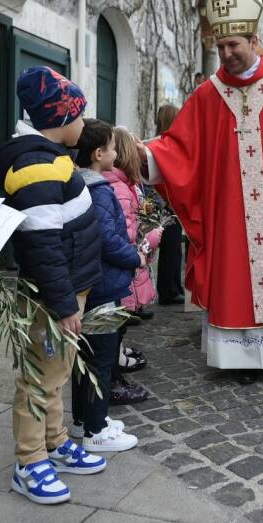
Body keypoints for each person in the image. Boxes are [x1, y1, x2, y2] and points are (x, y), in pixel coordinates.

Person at [137, 0, 263, 381]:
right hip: (230, 214)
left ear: (254, 40)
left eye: (234, 46)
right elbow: (179, 146)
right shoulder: (208, 95)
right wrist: (139, 154)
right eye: (221, 48)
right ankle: (242, 358)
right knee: (235, 278)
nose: (226, 55)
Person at [0, 66, 106, 505]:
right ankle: (29, 459)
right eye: (78, 114)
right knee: (41, 375)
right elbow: (42, 243)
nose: (83, 122)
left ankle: (54, 441)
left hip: (65, 287)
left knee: (54, 370)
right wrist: (62, 304)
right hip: (53, 293)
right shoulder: (37, 165)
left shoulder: (48, 157)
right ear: (59, 117)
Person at [71, 119, 144, 449]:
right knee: (100, 359)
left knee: (85, 358)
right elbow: (108, 239)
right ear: (99, 153)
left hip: (94, 284)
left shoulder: (83, 184)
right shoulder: (99, 190)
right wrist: (135, 257)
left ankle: (82, 419)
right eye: (113, 147)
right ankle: (95, 429)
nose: (116, 152)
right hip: (104, 287)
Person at [104, 126, 157, 404]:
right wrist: (152, 238)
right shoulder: (120, 190)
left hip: (122, 270)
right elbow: (126, 236)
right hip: (122, 271)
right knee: (115, 327)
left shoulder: (120, 185)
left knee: (118, 327)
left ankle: (115, 373)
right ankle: (113, 380)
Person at [152, 104, 185, 306]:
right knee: (170, 250)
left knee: (174, 250)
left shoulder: (158, 144)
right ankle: (168, 291)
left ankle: (174, 287)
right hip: (167, 204)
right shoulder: (163, 145)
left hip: (167, 203)